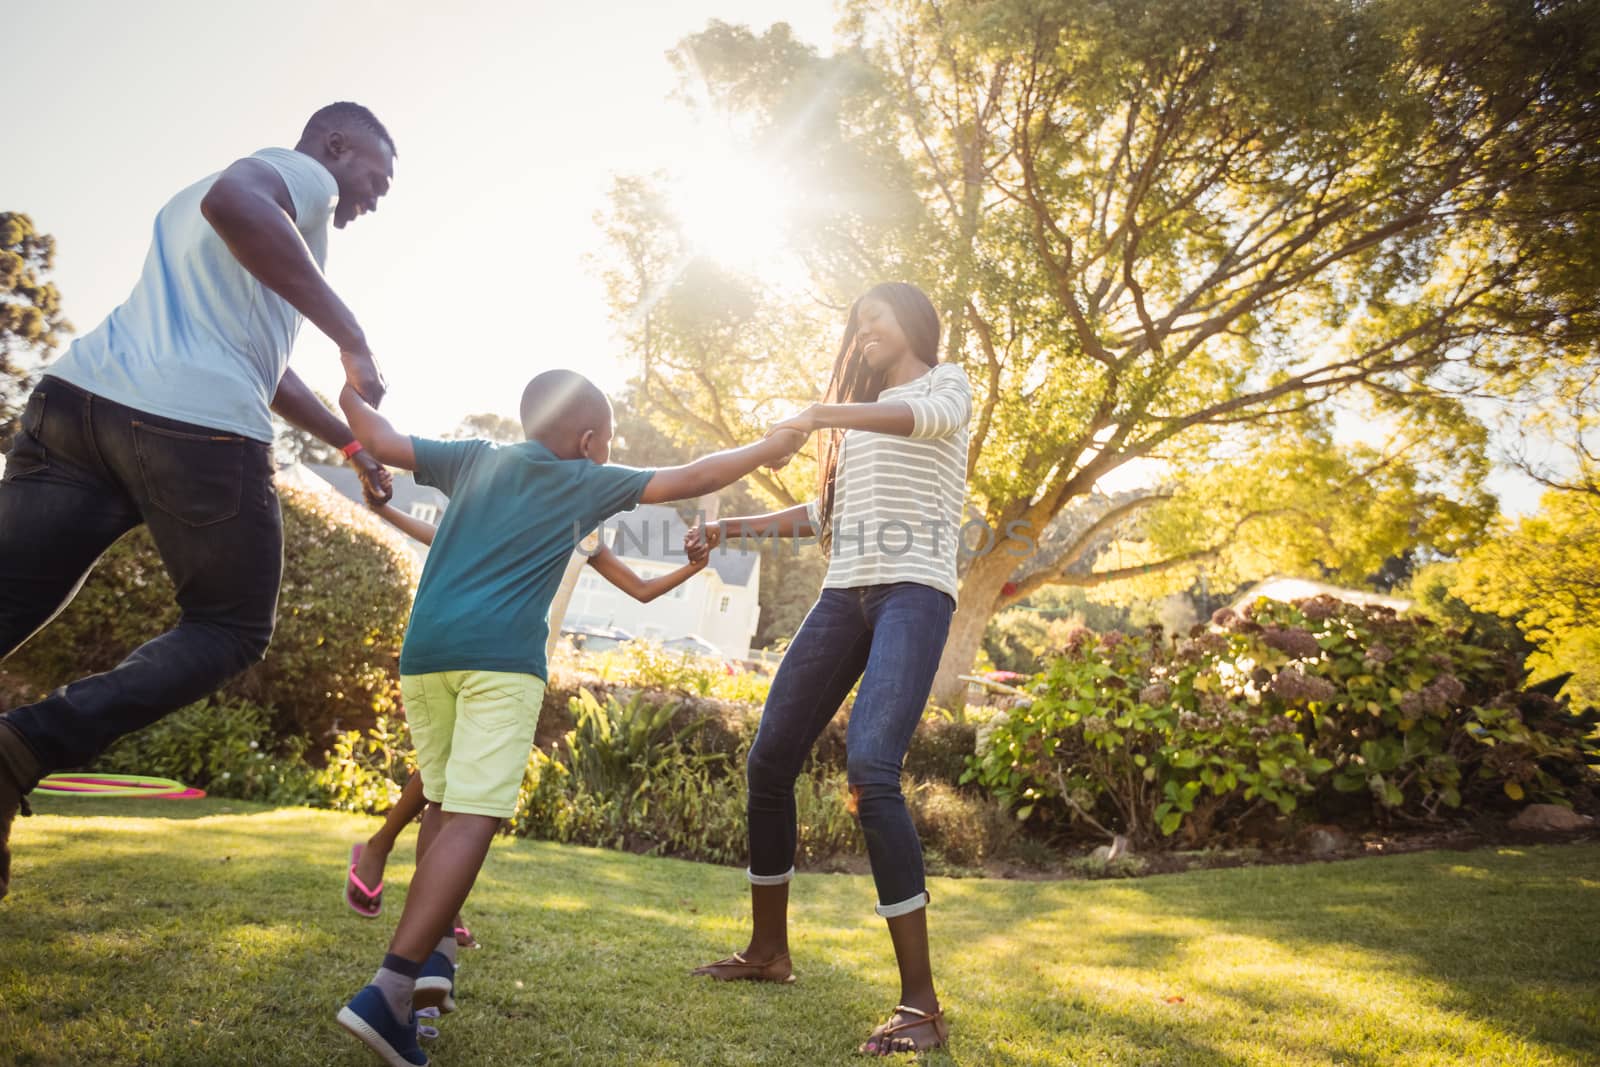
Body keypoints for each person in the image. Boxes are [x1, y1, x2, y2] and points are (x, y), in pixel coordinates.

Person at [332, 368, 803, 1066]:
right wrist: (768, 448)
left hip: (425, 653)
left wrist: (352, 379)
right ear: (587, 440)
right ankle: (390, 986)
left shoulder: (472, 458)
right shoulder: (586, 481)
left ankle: (429, 961)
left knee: (440, 797)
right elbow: (692, 474)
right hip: (500, 660)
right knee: (473, 814)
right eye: (607, 440)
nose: (609, 452)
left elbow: (373, 434)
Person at [0, 102, 401, 902]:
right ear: (335, 145)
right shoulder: (296, 180)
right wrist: (353, 337)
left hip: (77, 404)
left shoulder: (230, 223)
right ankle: (19, 746)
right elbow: (236, 203)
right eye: (375, 177)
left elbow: (264, 365)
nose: (373, 198)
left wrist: (351, 446)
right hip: (190, 430)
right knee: (230, 625)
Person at [688, 282, 971, 1057]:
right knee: (769, 758)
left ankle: (921, 1005)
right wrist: (733, 526)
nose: (862, 331)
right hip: (844, 594)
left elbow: (921, 418)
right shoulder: (857, 421)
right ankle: (768, 953)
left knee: (872, 768)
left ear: (910, 321)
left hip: (915, 592)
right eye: (856, 323)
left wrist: (820, 413)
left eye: (873, 317)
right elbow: (824, 515)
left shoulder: (945, 384)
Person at [343, 500, 714, 951]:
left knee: (452, 780)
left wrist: (695, 569)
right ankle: (428, 900)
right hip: (472, 650)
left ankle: (395, 860)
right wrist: (386, 510)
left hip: (523, 666)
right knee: (450, 783)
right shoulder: (515, 504)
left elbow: (640, 589)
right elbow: (443, 538)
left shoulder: (585, 530)